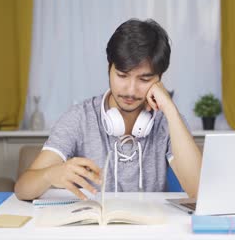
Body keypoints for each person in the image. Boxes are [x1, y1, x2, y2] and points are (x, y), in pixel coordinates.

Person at [15, 19, 202, 200]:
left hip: (151, 229)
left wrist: (169, 108)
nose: (130, 90)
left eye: (144, 79)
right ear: (109, 69)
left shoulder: (167, 120)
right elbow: (22, 189)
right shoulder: (80, 117)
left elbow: (198, 191)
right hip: (95, 229)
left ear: (159, 79)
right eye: (122, 75)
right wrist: (50, 174)